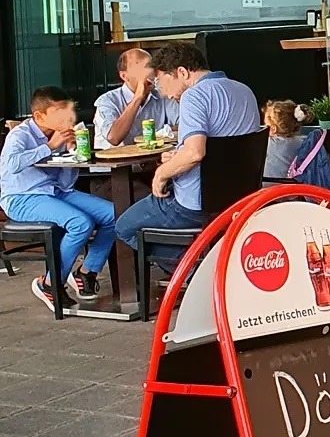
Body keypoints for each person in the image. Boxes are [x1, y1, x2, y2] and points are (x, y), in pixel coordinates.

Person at [114, 43, 261, 273]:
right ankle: (211, 264)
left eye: (162, 82)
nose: (164, 93)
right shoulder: (244, 90)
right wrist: (178, 156)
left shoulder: (194, 95)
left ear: (181, 72)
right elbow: (221, 147)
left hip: (195, 204)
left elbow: (195, 153)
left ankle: (199, 274)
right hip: (239, 200)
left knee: (124, 227)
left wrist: (161, 173)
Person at [0, 86, 116, 309]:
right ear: (39, 116)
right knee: (80, 223)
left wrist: (73, 152)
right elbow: (12, 164)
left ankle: (86, 272)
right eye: (59, 111)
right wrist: (49, 147)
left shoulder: (61, 134)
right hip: (21, 197)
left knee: (114, 214)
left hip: (55, 192)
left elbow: (65, 182)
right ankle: (50, 284)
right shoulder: (20, 134)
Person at [93, 47, 179, 147]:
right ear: (124, 76)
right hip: (115, 156)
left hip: (152, 155)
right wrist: (138, 97)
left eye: (151, 66)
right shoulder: (107, 101)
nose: (150, 72)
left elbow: (184, 124)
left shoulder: (161, 95)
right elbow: (113, 138)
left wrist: (166, 131)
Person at [262, 99, 330, 187]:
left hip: (271, 190)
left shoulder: (268, 143)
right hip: (296, 189)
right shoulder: (304, 142)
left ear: (273, 128)